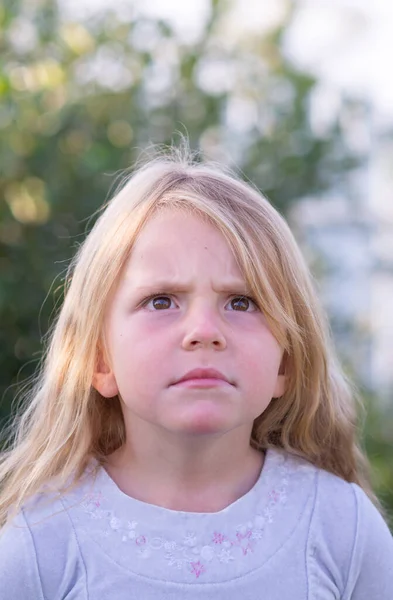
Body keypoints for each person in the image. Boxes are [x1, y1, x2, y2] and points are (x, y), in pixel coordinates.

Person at [0, 147, 392, 600]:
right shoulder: (37, 543)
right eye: (162, 300)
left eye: (241, 302)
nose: (204, 332)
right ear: (100, 359)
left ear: (285, 361)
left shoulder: (342, 530)